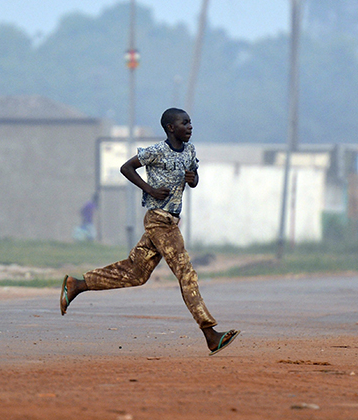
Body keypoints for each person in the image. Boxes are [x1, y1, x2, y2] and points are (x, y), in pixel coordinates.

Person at [59, 108, 240, 356]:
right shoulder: (156, 151)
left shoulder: (190, 151)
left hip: (171, 221)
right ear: (170, 128)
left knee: (136, 272)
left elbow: (194, 179)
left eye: (190, 123)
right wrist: (150, 190)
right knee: (186, 273)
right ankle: (210, 334)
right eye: (184, 123)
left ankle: (77, 284)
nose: (190, 127)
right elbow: (126, 168)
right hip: (159, 221)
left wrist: (192, 178)